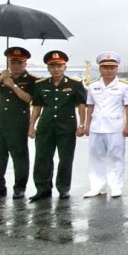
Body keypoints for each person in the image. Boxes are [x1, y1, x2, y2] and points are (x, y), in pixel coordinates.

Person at [27, 51, 87, 201]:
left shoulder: (75, 84)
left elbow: (81, 105)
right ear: (48, 68)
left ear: (65, 67)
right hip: (46, 126)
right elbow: (36, 107)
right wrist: (31, 126)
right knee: (42, 158)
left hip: (66, 126)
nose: (56, 69)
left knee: (65, 159)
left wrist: (81, 124)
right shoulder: (41, 85)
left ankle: (63, 189)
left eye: (59, 66)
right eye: (53, 66)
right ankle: (43, 189)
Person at [0, 47, 38, 201]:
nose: (16, 66)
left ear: (25, 63)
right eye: (12, 62)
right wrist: (1, 78)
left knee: (19, 157)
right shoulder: (3, 75)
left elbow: (29, 99)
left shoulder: (32, 79)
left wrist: (13, 85)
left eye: (19, 62)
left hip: (17, 123)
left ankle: (19, 188)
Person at [83, 52, 128, 199]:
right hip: (96, 126)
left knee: (116, 157)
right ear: (100, 69)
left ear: (117, 68)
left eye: (112, 67)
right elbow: (90, 106)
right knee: (96, 157)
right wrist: (87, 124)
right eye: (105, 67)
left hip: (115, 126)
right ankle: (97, 186)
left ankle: (116, 186)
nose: (109, 70)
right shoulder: (93, 85)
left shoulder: (125, 86)